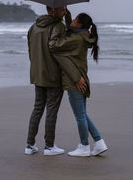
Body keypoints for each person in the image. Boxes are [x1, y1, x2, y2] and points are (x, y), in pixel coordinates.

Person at [25, 5, 86, 156]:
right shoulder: (58, 26)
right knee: (51, 110)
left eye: (66, 9)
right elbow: (62, 47)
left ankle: (29, 144)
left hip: (37, 74)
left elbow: (30, 51)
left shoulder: (33, 27)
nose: (64, 12)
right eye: (62, 9)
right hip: (53, 75)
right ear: (51, 10)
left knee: (38, 108)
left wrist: (36, 69)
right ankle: (49, 146)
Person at [49, 11, 108, 157]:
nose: (73, 20)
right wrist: (68, 15)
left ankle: (84, 146)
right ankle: (99, 142)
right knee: (82, 113)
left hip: (74, 80)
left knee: (80, 115)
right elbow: (71, 30)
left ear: (80, 25)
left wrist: (56, 30)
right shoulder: (84, 35)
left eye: (75, 19)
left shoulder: (75, 39)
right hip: (82, 78)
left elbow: (54, 46)